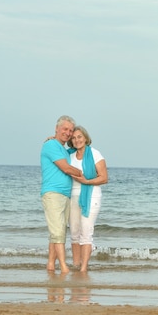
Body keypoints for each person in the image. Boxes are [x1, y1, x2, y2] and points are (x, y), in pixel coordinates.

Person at [40, 115, 83, 273]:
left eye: (70, 130)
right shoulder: (51, 145)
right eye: (65, 129)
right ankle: (64, 267)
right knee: (58, 231)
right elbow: (65, 168)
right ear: (57, 128)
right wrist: (82, 173)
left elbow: (80, 146)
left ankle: (51, 265)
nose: (68, 132)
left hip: (65, 195)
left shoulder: (64, 149)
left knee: (56, 232)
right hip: (53, 193)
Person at [67, 126, 108, 273]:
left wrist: (86, 181)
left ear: (85, 138)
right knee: (74, 233)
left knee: (86, 232)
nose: (77, 140)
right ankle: (76, 265)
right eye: (74, 137)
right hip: (73, 197)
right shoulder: (69, 155)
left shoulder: (95, 154)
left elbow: (104, 178)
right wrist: (52, 139)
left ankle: (83, 269)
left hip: (91, 196)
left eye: (79, 137)